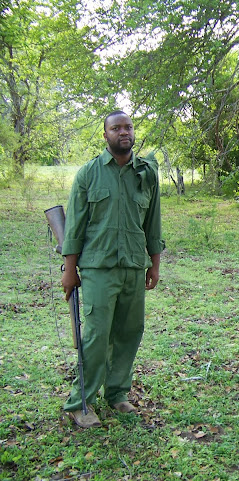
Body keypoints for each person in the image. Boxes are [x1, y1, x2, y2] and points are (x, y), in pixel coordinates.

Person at [61, 110, 165, 427]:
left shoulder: (145, 174)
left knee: (129, 332)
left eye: (128, 127)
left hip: (134, 266)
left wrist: (154, 264)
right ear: (105, 134)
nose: (123, 132)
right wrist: (69, 270)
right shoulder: (89, 174)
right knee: (95, 335)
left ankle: (117, 393)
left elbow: (153, 222)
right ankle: (81, 402)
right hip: (98, 268)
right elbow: (74, 227)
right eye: (116, 128)